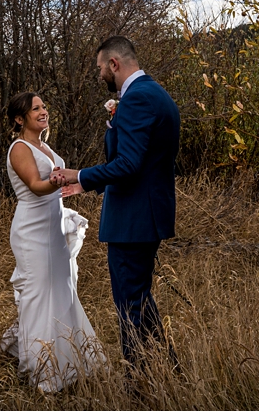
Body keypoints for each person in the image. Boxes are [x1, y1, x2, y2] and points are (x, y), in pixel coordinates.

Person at [50, 35, 180, 372]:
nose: (99, 76)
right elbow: (136, 159)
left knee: (128, 306)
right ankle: (171, 367)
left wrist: (80, 175)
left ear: (114, 64)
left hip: (134, 220)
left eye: (99, 69)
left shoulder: (137, 99)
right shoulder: (153, 93)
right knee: (138, 297)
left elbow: (129, 164)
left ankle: (136, 385)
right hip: (145, 215)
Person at [0, 91, 105, 392]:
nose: (43, 111)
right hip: (32, 230)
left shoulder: (43, 146)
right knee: (38, 294)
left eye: (44, 106)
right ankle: (41, 369)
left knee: (60, 289)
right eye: (35, 109)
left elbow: (56, 179)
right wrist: (57, 181)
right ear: (20, 119)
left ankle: (64, 361)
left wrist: (75, 182)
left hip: (53, 227)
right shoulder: (19, 148)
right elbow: (35, 185)